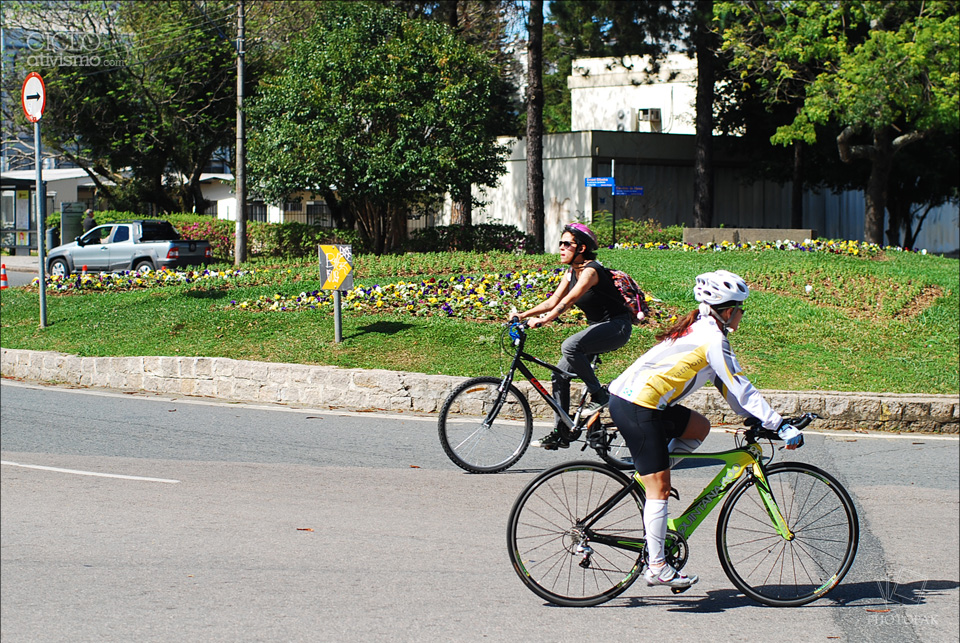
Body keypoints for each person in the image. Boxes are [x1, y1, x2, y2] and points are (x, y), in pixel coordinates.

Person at [607, 270, 804, 590]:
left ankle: (654, 477)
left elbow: (730, 391)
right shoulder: (713, 339)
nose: (741, 314)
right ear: (728, 311)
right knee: (659, 488)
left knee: (699, 427)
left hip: (639, 401)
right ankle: (657, 566)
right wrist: (778, 424)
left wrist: (755, 418)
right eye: (740, 309)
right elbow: (742, 387)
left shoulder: (703, 328)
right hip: (637, 405)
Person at [512, 223, 633, 450]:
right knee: (559, 375)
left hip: (616, 327)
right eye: (560, 243)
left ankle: (599, 395)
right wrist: (523, 315)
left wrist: (545, 320)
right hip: (597, 329)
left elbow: (569, 301)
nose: (561, 247)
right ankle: (562, 432)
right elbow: (553, 301)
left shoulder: (591, 271)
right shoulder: (571, 272)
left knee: (570, 346)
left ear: (581, 248)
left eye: (567, 244)